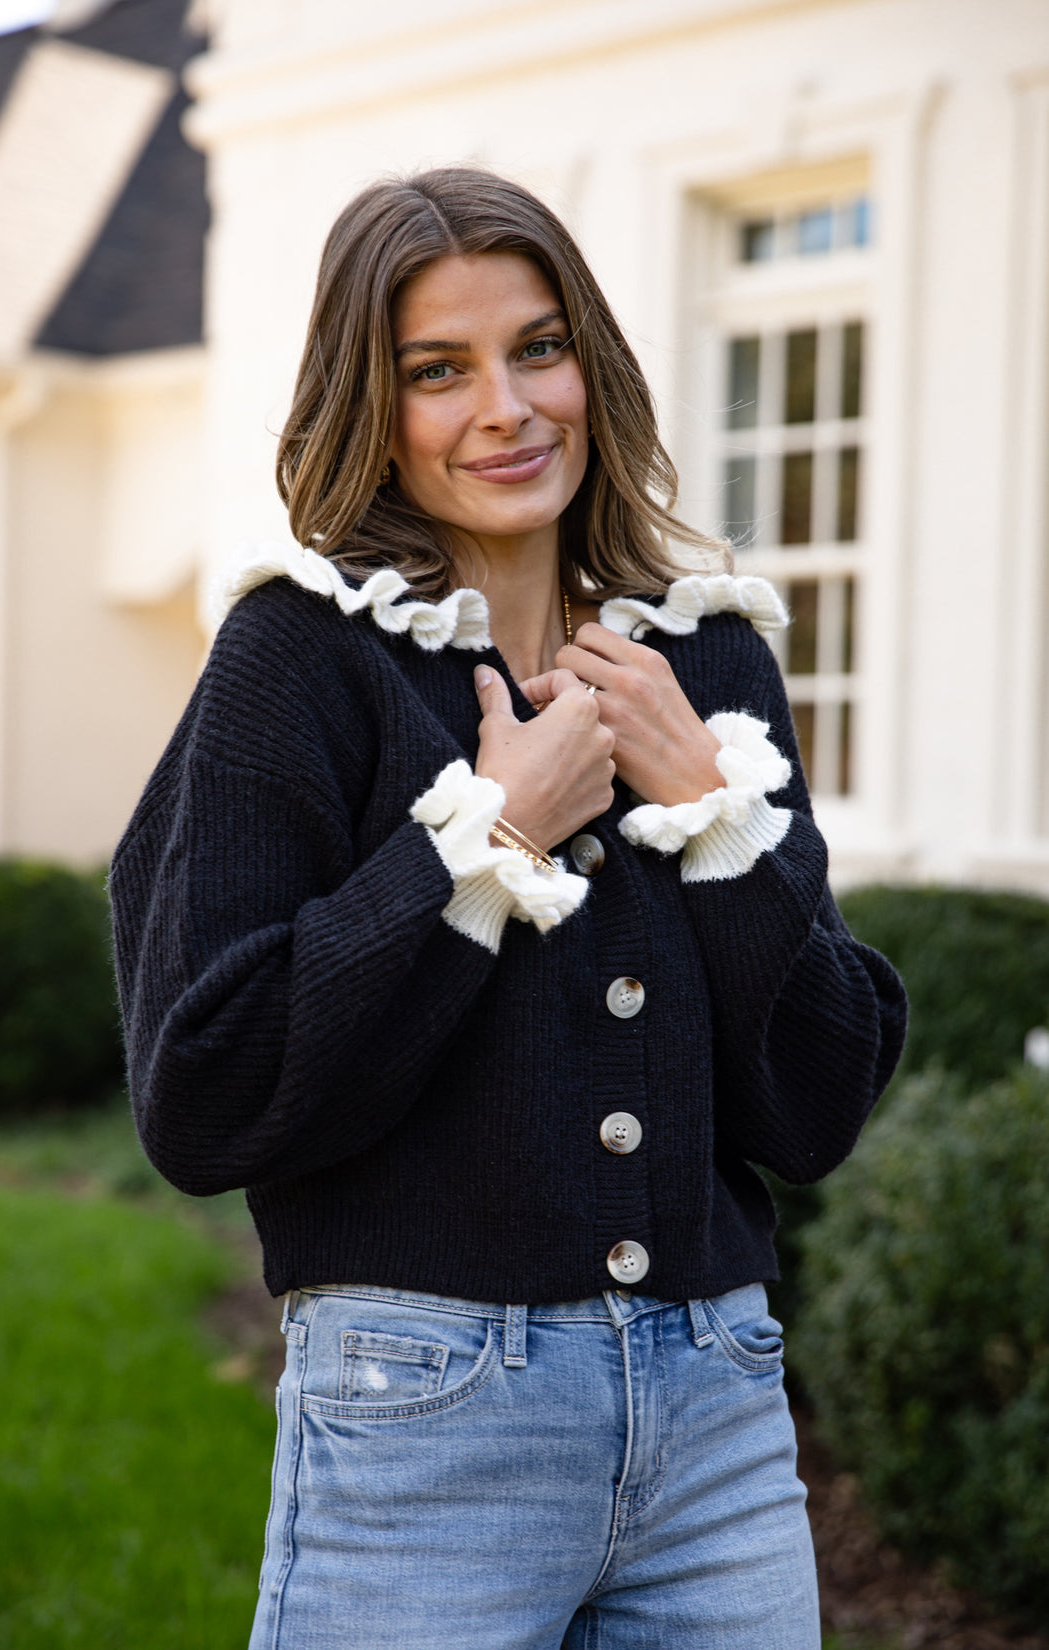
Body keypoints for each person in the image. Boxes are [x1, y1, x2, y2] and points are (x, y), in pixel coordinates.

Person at [109, 167, 906, 1650]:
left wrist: (711, 814)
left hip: (721, 1416)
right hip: (427, 1419)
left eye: (539, 348)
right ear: (373, 400)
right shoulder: (300, 657)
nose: (508, 407)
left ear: (589, 363)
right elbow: (205, 1091)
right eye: (438, 369)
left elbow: (815, 1106)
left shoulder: (708, 670)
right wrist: (479, 841)